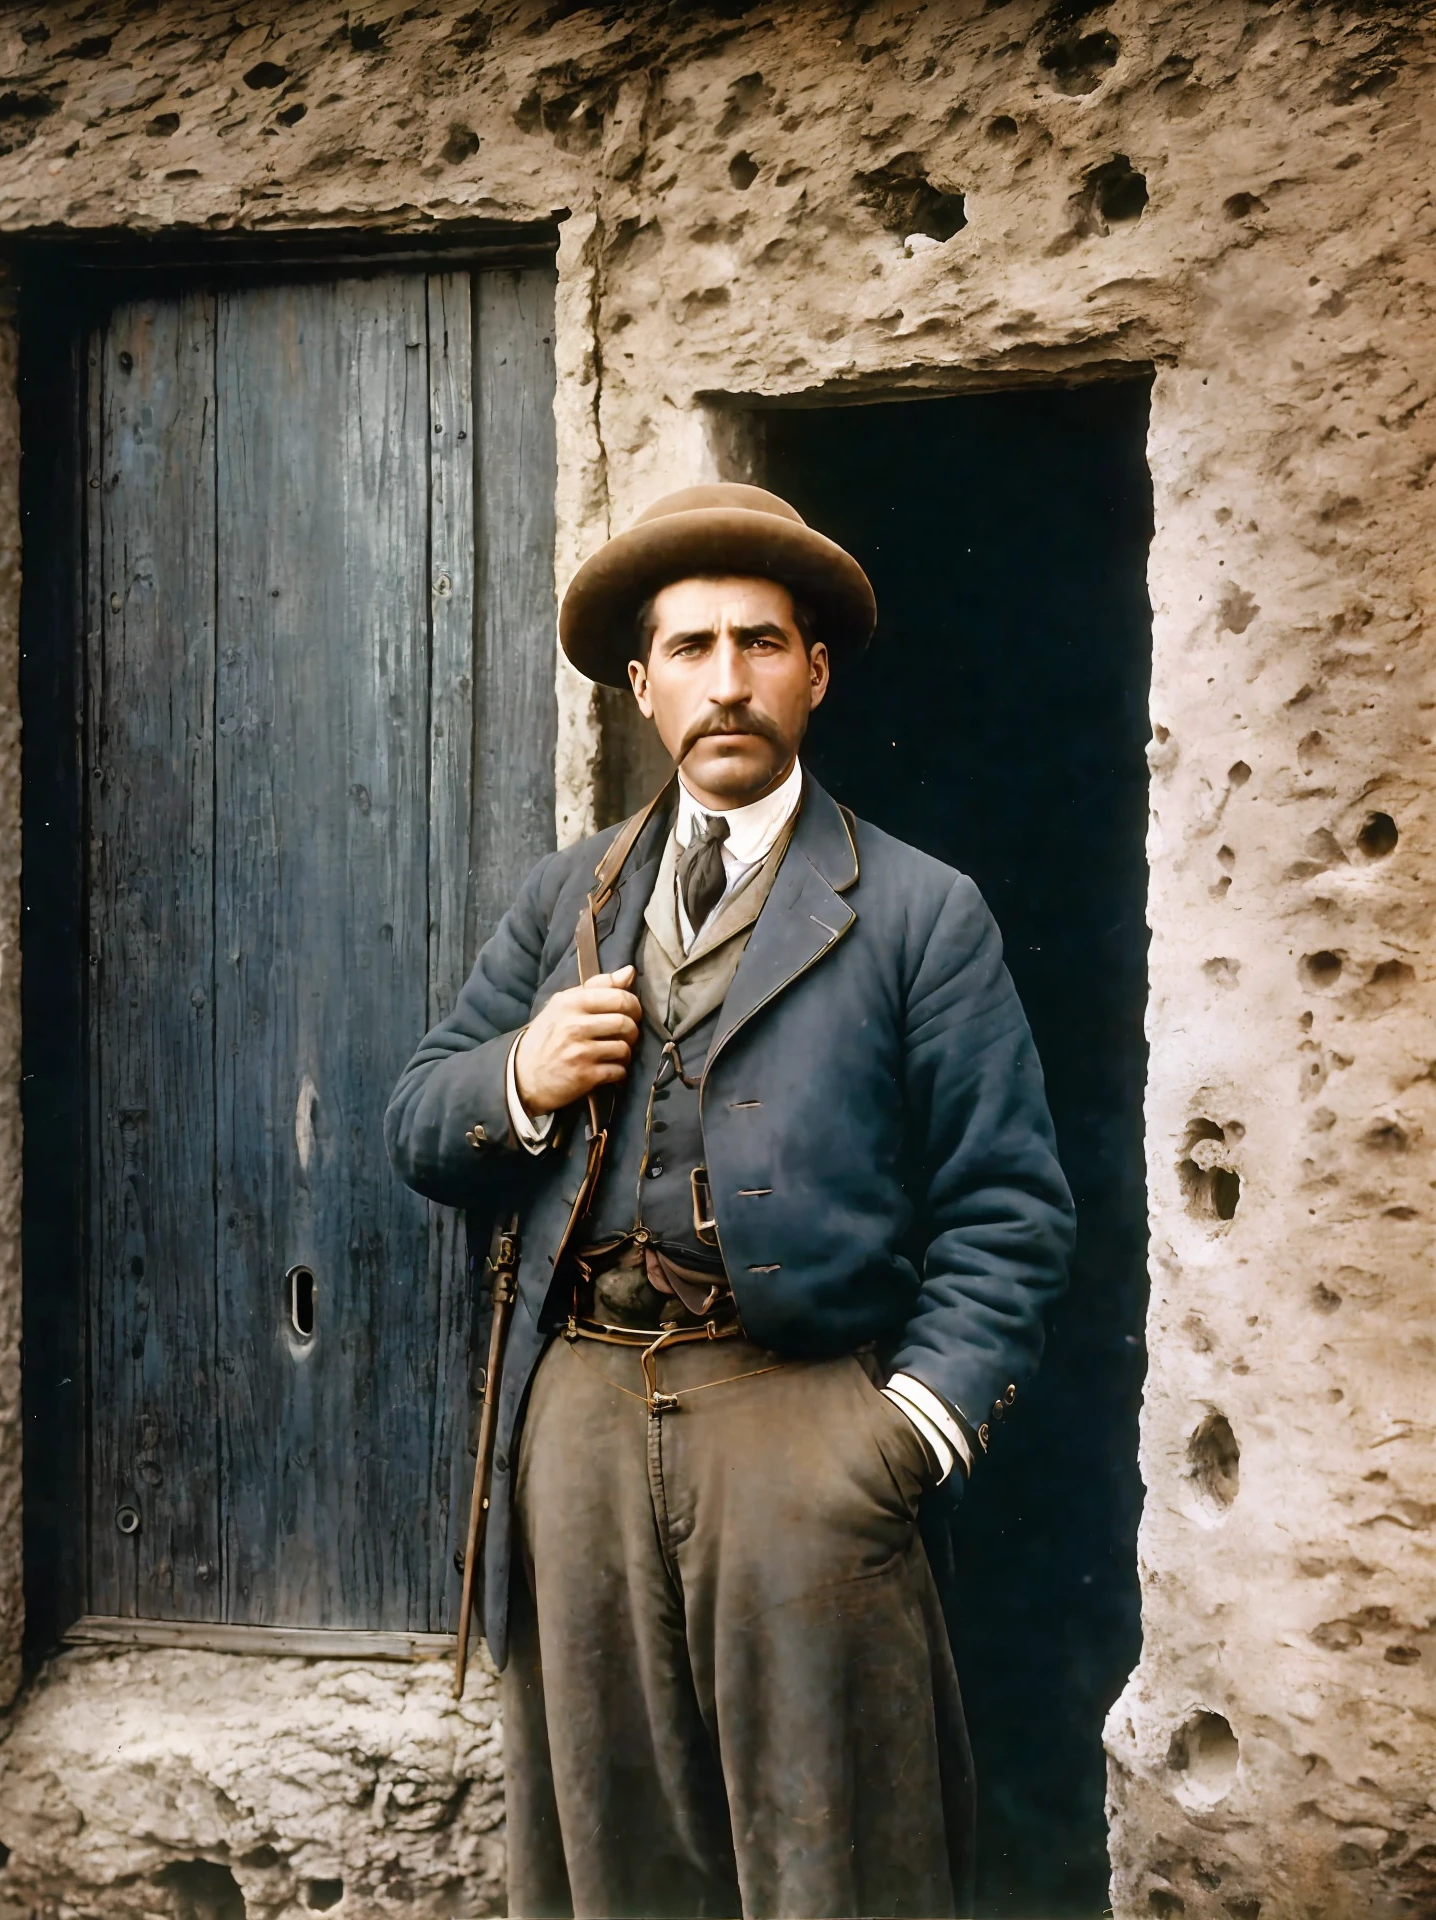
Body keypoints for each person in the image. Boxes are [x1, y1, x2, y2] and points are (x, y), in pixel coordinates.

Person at [385, 483, 1075, 1920]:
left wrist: (895, 1444)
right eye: (690, 648)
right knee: (614, 1837)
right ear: (642, 688)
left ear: (813, 674)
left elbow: (1009, 1211)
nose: (728, 680)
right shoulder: (569, 897)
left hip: (800, 1425)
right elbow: (417, 1123)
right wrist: (520, 1070)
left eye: (761, 643)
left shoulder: (917, 910)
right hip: (575, 1420)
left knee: (838, 1848)